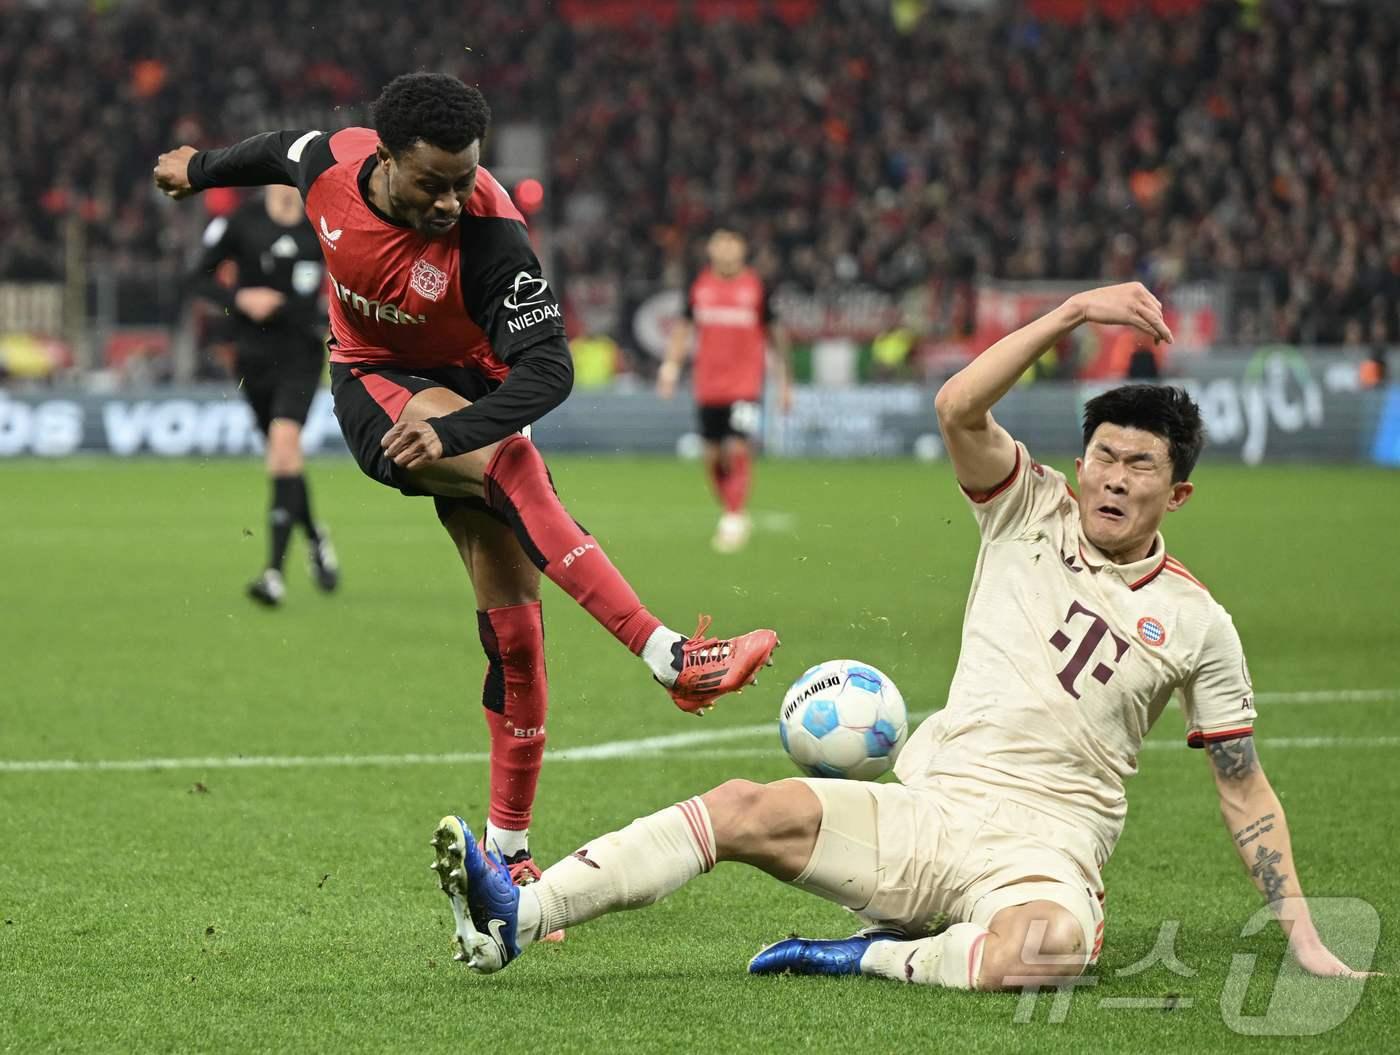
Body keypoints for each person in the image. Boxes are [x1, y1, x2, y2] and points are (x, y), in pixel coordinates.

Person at [434, 282, 1373, 987]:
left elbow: (1243, 788)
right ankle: (524, 911)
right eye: (1105, 457)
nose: (1116, 479)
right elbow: (957, 406)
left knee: (1045, 953)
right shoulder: (1028, 509)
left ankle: (873, 956)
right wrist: (1072, 313)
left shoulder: (1201, 622)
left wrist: (1302, 934)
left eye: (1141, 466)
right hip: (932, 807)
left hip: (1045, 849)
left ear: (1179, 492)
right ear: (1080, 462)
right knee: (744, 805)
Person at [154, 73, 779, 892]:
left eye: (465, 177)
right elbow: (276, 150)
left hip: (468, 405)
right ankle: (669, 655)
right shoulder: (330, 166)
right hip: (375, 386)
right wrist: (196, 168)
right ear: (383, 158)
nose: (453, 198)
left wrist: (455, 426)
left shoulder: (492, 235)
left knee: (518, 636)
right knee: (516, 467)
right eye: (432, 182)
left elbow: (549, 369)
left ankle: (508, 858)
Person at [189, 185, 339, 606]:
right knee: (284, 460)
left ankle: (273, 574)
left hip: (302, 356)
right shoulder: (242, 222)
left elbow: (353, 280)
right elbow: (197, 278)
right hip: (253, 358)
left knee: (283, 450)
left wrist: (332, 318)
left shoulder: (322, 222)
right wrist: (240, 297)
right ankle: (314, 536)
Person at [657, 228, 791, 553]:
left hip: (746, 385)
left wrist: (785, 382)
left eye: (732, 243)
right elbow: (683, 329)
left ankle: (734, 515)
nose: (726, 250)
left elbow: (776, 335)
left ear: (742, 249)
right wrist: (670, 367)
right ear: (712, 249)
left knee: (738, 448)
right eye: (720, 243)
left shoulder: (757, 287)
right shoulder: (699, 285)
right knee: (713, 455)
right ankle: (732, 510)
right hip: (709, 385)